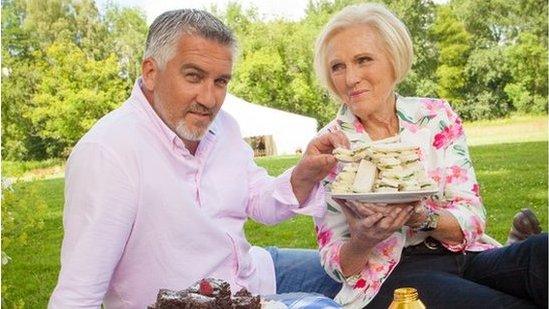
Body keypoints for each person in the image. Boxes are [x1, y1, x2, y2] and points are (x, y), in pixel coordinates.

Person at [48, 9, 344, 308]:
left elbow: (258, 201)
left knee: (364, 269)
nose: (209, 99)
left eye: (220, 81)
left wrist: (303, 174)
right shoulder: (108, 152)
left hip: (249, 271)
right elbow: (78, 293)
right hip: (193, 301)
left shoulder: (224, 126)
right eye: (194, 76)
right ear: (151, 73)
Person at [312, 3, 547, 308]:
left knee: (542, 252)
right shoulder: (330, 146)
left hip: (465, 255)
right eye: (337, 66)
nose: (350, 78)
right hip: (393, 275)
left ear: (394, 60)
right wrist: (363, 240)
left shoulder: (436, 117)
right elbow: (334, 262)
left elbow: (473, 218)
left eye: (363, 60)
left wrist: (420, 216)